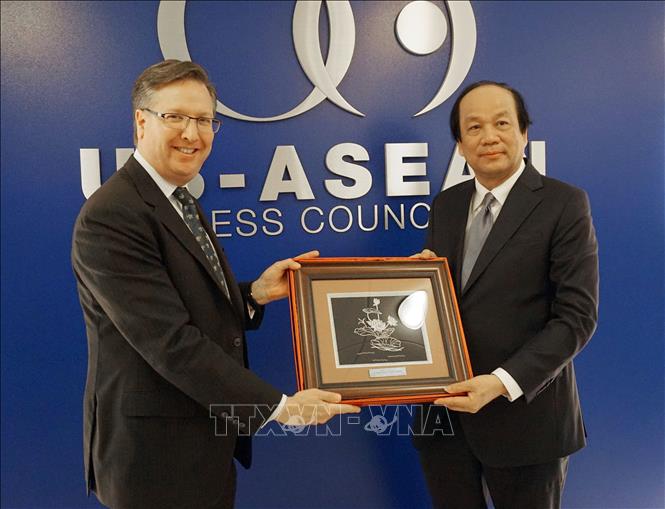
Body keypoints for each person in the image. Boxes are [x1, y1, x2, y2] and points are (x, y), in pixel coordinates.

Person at [71, 59, 359, 509]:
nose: (192, 133)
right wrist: (282, 409)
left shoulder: (177, 197)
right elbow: (170, 343)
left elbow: (187, 303)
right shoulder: (113, 215)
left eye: (204, 120)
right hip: (155, 461)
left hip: (203, 443)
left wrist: (254, 295)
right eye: (176, 117)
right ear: (141, 122)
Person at [412, 81, 598, 508]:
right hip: (445, 419)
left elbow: (576, 318)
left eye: (501, 123)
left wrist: (500, 383)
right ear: (461, 145)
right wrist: (414, 283)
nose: (489, 137)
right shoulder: (446, 205)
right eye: (474, 127)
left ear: (524, 132)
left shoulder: (564, 203)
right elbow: (441, 304)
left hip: (527, 421)